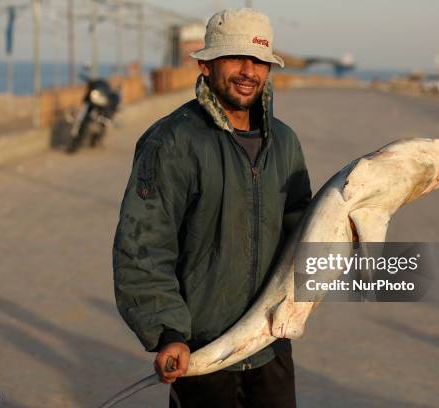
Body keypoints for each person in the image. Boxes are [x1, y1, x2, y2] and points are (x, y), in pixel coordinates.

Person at [112, 8, 311, 407]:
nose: (248, 71)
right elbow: (144, 247)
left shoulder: (285, 144)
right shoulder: (171, 142)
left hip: (269, 346)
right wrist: (168, 332)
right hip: (201, 351)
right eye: (235, 58)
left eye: (259, 61)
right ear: (205, 65)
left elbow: (302, 233)